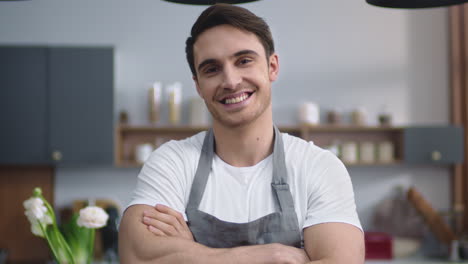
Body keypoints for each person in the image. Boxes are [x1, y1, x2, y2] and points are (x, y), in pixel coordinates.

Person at [119, 3, 364, 263]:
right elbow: (137, 256)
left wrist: (190, 252)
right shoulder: (171, 161)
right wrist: (272, 254)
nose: (231, 81)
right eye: (212, 69)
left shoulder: (318, 167)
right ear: (199, 86)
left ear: (272, 67)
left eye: (244, 61)